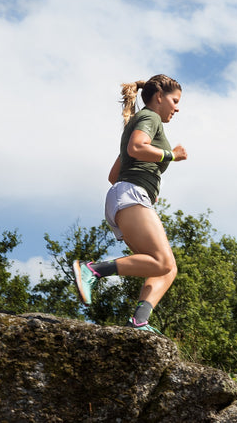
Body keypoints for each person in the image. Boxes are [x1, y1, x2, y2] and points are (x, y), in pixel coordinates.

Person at [73, 74, 187, 332]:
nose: (177, 108)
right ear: (159, 97)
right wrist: (171, 155)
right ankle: (93, 270)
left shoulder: (137, 123)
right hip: (131, 196)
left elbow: (114, 175)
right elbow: (137, 148)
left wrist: (147, 182)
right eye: (175, 100)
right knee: (163, 262)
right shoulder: (150, 118)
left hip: (127, 195)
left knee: (166, 269)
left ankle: (139, 320)